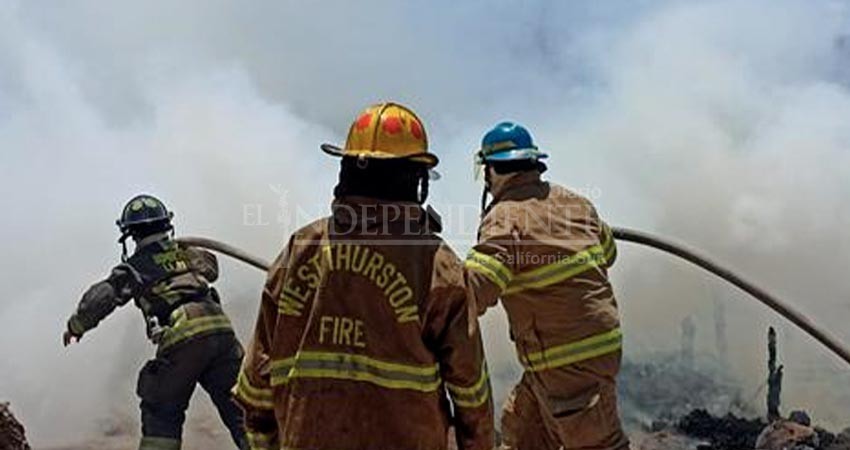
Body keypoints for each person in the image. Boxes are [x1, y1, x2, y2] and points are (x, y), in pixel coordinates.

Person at [234, 102, 494, 450]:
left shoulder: (300, 249)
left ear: (346, 172)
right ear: (416, 181)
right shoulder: (436, 263)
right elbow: (470, 389)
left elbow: (256, 383)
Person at [465, 122, 628, 450]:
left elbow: (476, 289)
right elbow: (609, 254)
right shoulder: (577, 203)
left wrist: (431, 285)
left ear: (492, 170)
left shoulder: (505, 217)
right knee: (522, 430)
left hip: (566, 363)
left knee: (596, 444)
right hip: (577, 354)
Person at [63, 195, 247, 450]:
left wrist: (76, 325)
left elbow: (104, 295)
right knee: (244, 411)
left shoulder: (136, 267)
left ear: (130, 234)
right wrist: (179, 254)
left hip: (184, 335)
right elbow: (211, 268)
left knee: (161, 411)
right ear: (166, 225)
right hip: (222, 334)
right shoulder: (188, 254)